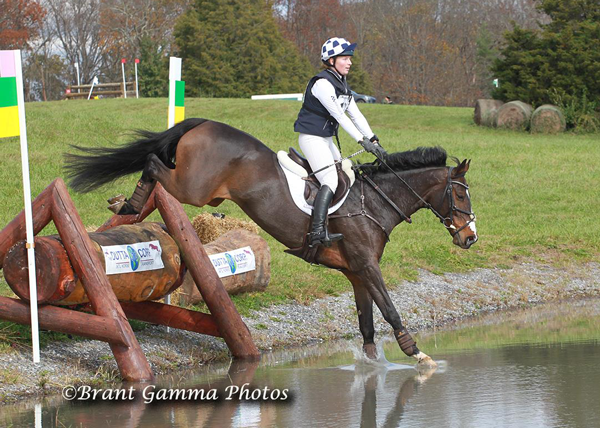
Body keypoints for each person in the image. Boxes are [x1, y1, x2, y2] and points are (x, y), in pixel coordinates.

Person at [294, 37, 387, 248]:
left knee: (346, 171)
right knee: (331, 180)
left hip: (324, 139)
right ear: (331, 60)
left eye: (349, 58)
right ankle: (316, 231)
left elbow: (356, 115)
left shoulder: (342, 85)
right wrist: (362, 141)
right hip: (311, 138)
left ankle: (338, 220)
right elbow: (340, 116)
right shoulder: (322, 84)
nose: (349, 62)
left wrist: (373, 139)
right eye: (345, 58)